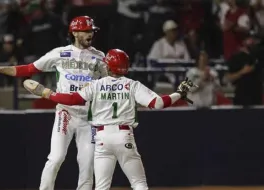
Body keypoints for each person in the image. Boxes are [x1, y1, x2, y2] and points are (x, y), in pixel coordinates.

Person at [22, 49, 195, 190]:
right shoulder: (131, 84)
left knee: (102, 187)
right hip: (123, 136)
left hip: (101, 139)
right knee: (139, 184)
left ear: (108, 65)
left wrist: (48, 93)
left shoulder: (96, 85)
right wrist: (178, 94)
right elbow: (158, 103)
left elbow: (72, 100)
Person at [0, 16, 107, 190]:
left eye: (91, 31)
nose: (90, 34)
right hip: (66, 112)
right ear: (74, 32)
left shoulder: (99, 57)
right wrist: (0, 69)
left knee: (87, 164)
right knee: (56, 157)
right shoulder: (60, 53)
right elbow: (29, 69)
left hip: (90, 116)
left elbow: (111, 82)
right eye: (86, 31)